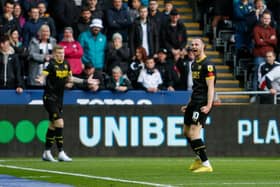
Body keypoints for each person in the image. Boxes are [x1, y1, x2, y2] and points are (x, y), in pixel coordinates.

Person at [36, 45, 95, 162]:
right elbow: (44, 73)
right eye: (58, 53)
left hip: (59, 99)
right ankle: (61, 152)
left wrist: (85, 81)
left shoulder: (66, 64)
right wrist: (41, 79)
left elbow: (70, 79)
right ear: (54, 54)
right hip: (49, 98)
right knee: (60, 123)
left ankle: (46, 152)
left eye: (62, 53)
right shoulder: (52, 64)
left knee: (53, 125)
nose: (61, 55)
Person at [181, 38, 216, 173]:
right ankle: (198, 158)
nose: (194, 46)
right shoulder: (194, 63)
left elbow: (211, 87)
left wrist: (208, 105)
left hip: (202, 102)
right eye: (192, 45)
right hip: (194, 101)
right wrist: (188, 104)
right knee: (186, 132)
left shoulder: (208, 65)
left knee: (194, 133)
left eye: (197, 44)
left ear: (203, 47)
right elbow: (196, 87)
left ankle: (206, 164)